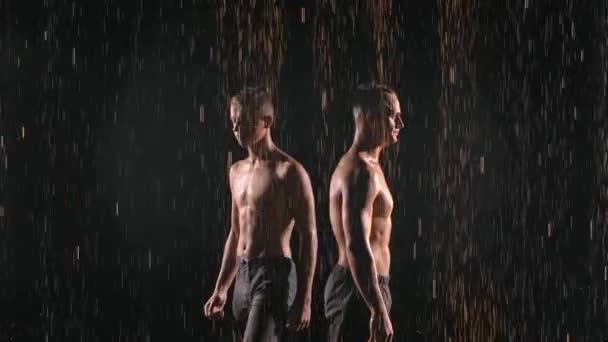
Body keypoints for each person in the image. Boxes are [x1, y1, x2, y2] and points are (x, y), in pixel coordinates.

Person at [203, 87, 318, 341]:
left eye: (243, 121)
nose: (236, 128)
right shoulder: (236, 171)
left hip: (274, 275)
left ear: (267, 121)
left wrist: (305, 299)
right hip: (242, 275)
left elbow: (309, 236)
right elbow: (236, 233)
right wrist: (221, 287)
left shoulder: (289, 172)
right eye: (233, 121)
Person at [324, 84, 404, 342]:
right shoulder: (361, 171)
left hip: (369, 288)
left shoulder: (370, 167)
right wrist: (377, 307)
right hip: (359, 291)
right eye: (393, 114)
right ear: (370, 117)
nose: (400, 122)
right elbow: (357, 244)